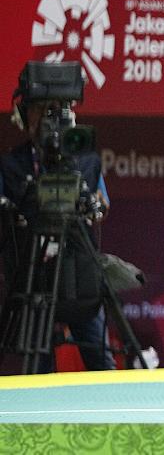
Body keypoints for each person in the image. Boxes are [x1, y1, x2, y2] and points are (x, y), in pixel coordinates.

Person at [0, 79, 114, 372]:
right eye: (42, 110)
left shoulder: (85, 160)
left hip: (79, 271)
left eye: (56, 111)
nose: (49, 119)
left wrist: (92, 206)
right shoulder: (12, 164)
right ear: (25, 116)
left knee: (101, 360)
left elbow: (102, 205)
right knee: (38, 366)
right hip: (31, 276)